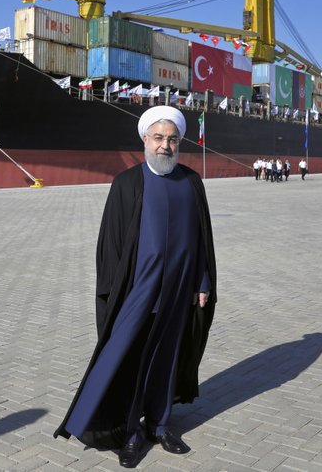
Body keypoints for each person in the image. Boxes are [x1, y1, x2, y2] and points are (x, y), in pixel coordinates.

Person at [54, 106, 217, 468]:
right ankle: (129, 432)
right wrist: (115, 291)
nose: (165, 146)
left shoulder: (192, 182)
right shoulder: (127, 183)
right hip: (136, 291)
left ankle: (159, 425)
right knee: (128, 360)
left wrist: (203, 281)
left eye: (172, 140)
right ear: (145, 140)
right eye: (158, 138)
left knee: (167, 359)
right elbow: (110, 245)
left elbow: (203, 239)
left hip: (179, 290)